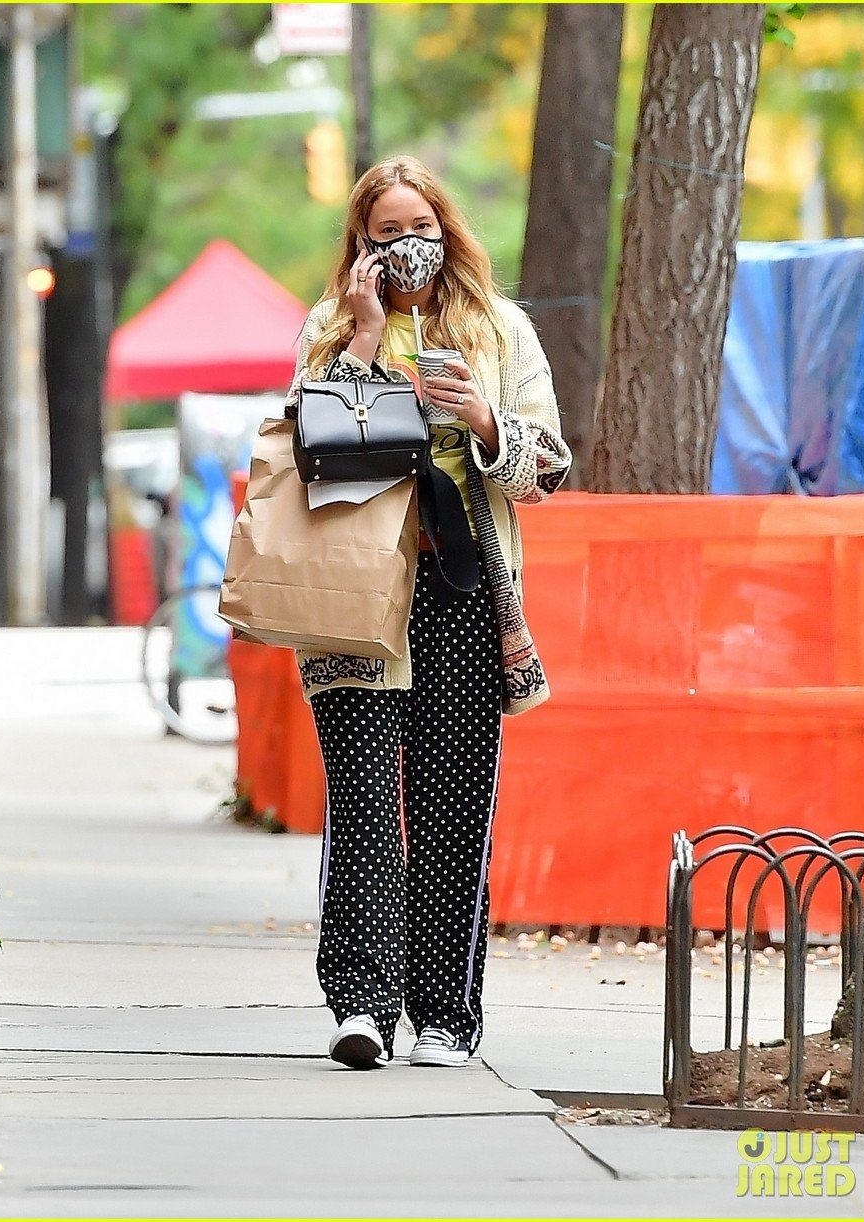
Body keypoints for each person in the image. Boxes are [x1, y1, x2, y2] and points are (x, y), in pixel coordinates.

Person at [282, 155, 572, 1070]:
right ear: (359, 248)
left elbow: (548, 470)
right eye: (387, 234)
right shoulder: (329, 327)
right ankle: (362, 1004)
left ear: (445, 229)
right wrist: (365, 343)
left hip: (460, 592)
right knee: (365, 801)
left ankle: (446, 1012)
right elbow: (306, 445)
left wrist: (484, 420)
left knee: (451, 804)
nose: (408, 247)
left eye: (420, 228)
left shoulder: (498, 329)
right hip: (354, 595)